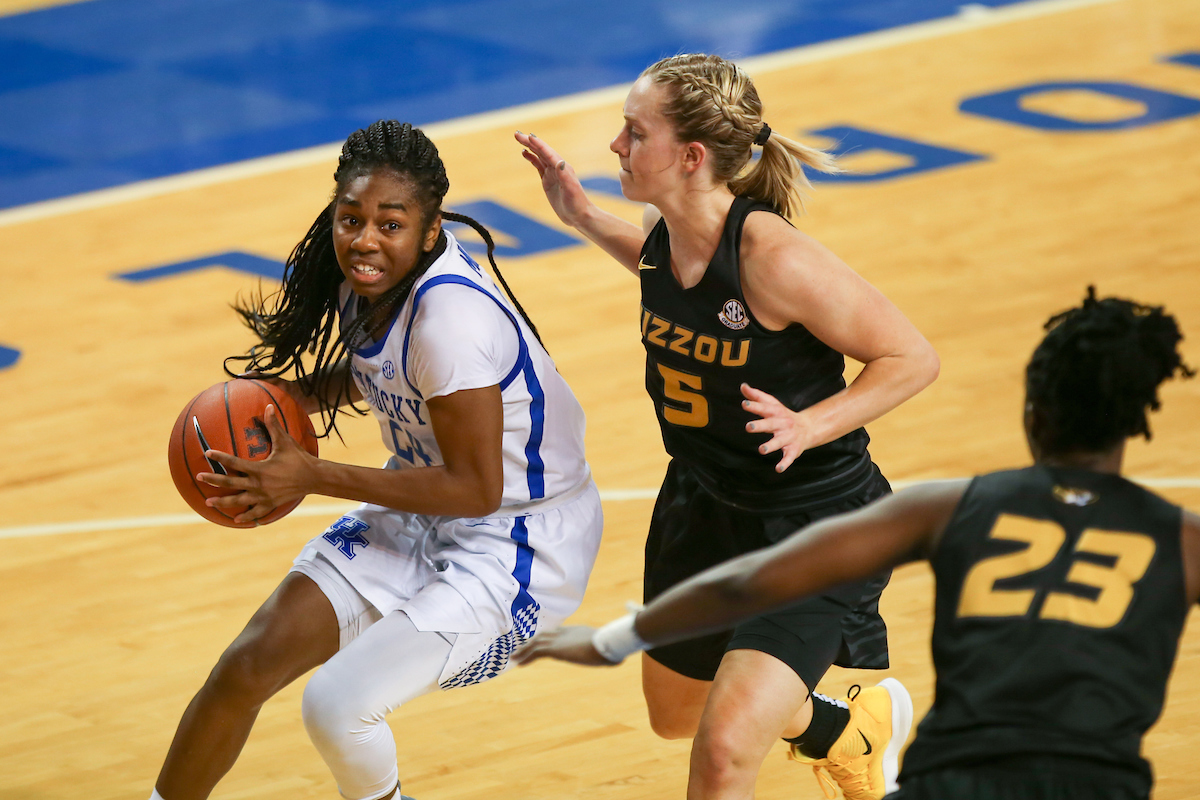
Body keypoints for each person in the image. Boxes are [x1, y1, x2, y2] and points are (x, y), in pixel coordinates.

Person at [515, 288, 1198, 800]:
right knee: (681, 715)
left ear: (1032, 412)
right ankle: (844, 733)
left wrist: (616, 637)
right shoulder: (1184, 541)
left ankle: (847, 733)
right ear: (1135, 426)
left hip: (950, 781)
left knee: (717, 737)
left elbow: (748, 584)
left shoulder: (952, 507)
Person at [515, 53, 939, 800]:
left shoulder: (774, 259)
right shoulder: (664, 227)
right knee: (676, 716)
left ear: (690, 156)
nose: (615, 145)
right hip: (703, 502)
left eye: (634, 131)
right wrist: (582, 217)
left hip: (811, 523)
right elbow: (664, 272)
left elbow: (911, 357)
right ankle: (849, 732)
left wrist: (810, 424)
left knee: (721, 752)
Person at [149, 120, 603, 800]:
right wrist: (285, 405)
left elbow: (477, 490)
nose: (364, 240)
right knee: (245, 668)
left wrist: (312, 474)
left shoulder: (452, 323)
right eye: (351, 218)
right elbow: (385, 373)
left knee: (337, 705)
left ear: (430, 229)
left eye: (390, 225)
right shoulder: (364, 281)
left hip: (521, 540)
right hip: (423, 507)